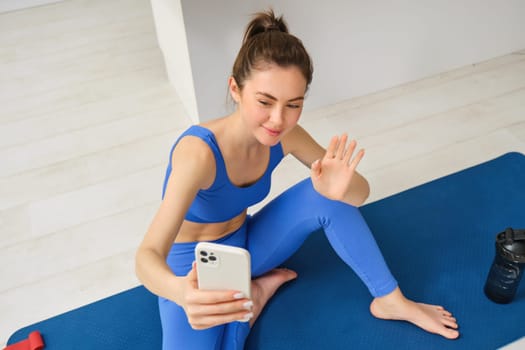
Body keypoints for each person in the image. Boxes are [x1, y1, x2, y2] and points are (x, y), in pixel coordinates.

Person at [135, 9, 460, 349]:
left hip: (246, 244)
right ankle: (255, 295)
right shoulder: (198, 153)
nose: (278, 119)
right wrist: (182, 292)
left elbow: (360, 194)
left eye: (293, 104)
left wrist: (339, 189)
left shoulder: (289, 136)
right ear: (235, 88)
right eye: (265, 101)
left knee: (326, 196)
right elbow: (147, 256)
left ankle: (391, 300)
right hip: (194, 265)